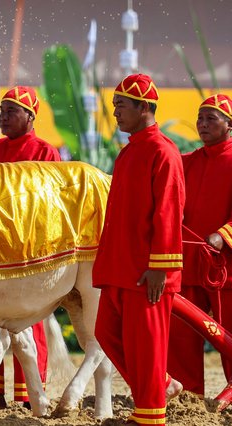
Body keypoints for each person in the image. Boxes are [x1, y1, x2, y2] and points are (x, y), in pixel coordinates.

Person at [93, 74, 185, 426]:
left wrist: (160, 267)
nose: (115, 113)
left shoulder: (163, 150)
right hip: (120, 266)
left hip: (148, 270)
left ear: (143, 107)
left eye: (120, 106)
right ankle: (160, 385)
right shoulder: (131, 150)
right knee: (106, 333)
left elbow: (168, 211)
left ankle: (149, 417)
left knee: (146, 347)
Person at [0, 85, 60, 409]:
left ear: (30, 117)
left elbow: (50, 202)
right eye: (2, 112)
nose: (4, 118)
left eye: (11, 112)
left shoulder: (46, 152)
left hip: (29, 251)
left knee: (28, 323)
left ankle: (27, 395)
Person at [167, 94, 232, 396]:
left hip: (225, 267)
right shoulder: (187, 161)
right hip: (189, 263)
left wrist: (224, 234)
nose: (203, 124)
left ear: (228, 124)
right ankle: (187, 396)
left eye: (211, 119)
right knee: (181, 335)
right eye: (200, 118)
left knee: (229, 332)